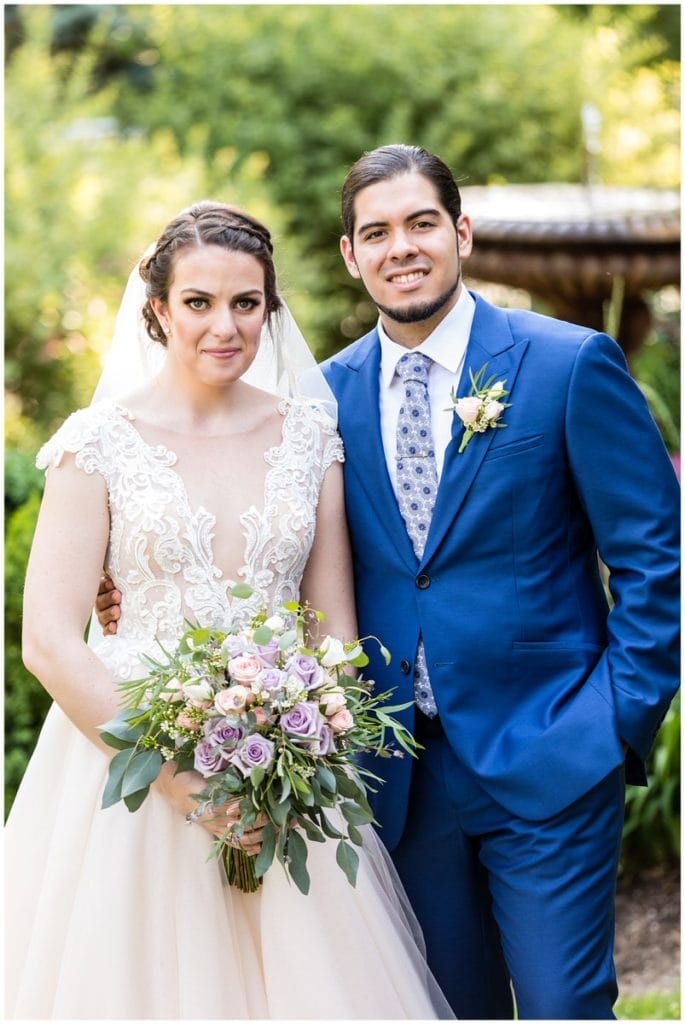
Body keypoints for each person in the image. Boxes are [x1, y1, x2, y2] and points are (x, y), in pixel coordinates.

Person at [94, 148, 681, 1019]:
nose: (399, 247)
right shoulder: (317, 403)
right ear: (347, 254)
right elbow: (265, 559)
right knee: (442, 1008)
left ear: (461, 233)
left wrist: (612, 721)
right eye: (376, 232)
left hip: (553, 755)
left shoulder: (568, 365)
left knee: (564, 1005)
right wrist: (119, 582)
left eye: (420, 224)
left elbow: (652, 556)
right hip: (396, 782)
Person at [5, 201, 453, 1020]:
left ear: (270, 310)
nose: (225, 326)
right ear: (157, 309)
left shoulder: (310, 435)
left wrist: (307, 742)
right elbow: (49, 643)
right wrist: (179, 783)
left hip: (284, 775)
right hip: (130, 776)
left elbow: (333, 634)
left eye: (246, 303)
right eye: (199, 303)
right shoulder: (95, 443)